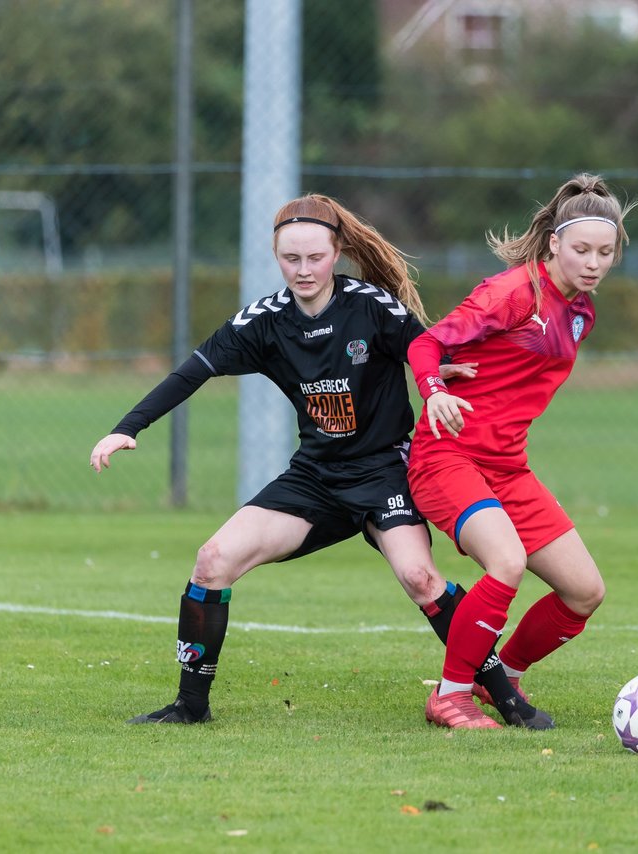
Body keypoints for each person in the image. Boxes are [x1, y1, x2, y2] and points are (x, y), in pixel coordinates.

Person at [89, 194, 551, 728]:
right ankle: (190, 708)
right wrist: (127, 428)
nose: (303, 270)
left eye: (315, 258)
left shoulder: (372, 307)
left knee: (421, 578)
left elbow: (430, 349)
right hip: (315, 477)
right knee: (212, 560)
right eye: (291, 259)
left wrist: (444, 373)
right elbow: (192, 372)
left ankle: (502, 694)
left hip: (385, 471)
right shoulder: (263, 321)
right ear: (276, 256)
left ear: (337, 253)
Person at [407, 174, 637, 729]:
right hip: (448, 458)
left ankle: (502, 676)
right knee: (506, 563)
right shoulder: (513, 292)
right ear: (555, 242)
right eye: (582, 249)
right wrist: (436, 388)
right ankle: (451, 695)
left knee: (585, 592)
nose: (593, 263)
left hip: (507, 468)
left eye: (605, 253)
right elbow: (427, 342)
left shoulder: (581, 313)